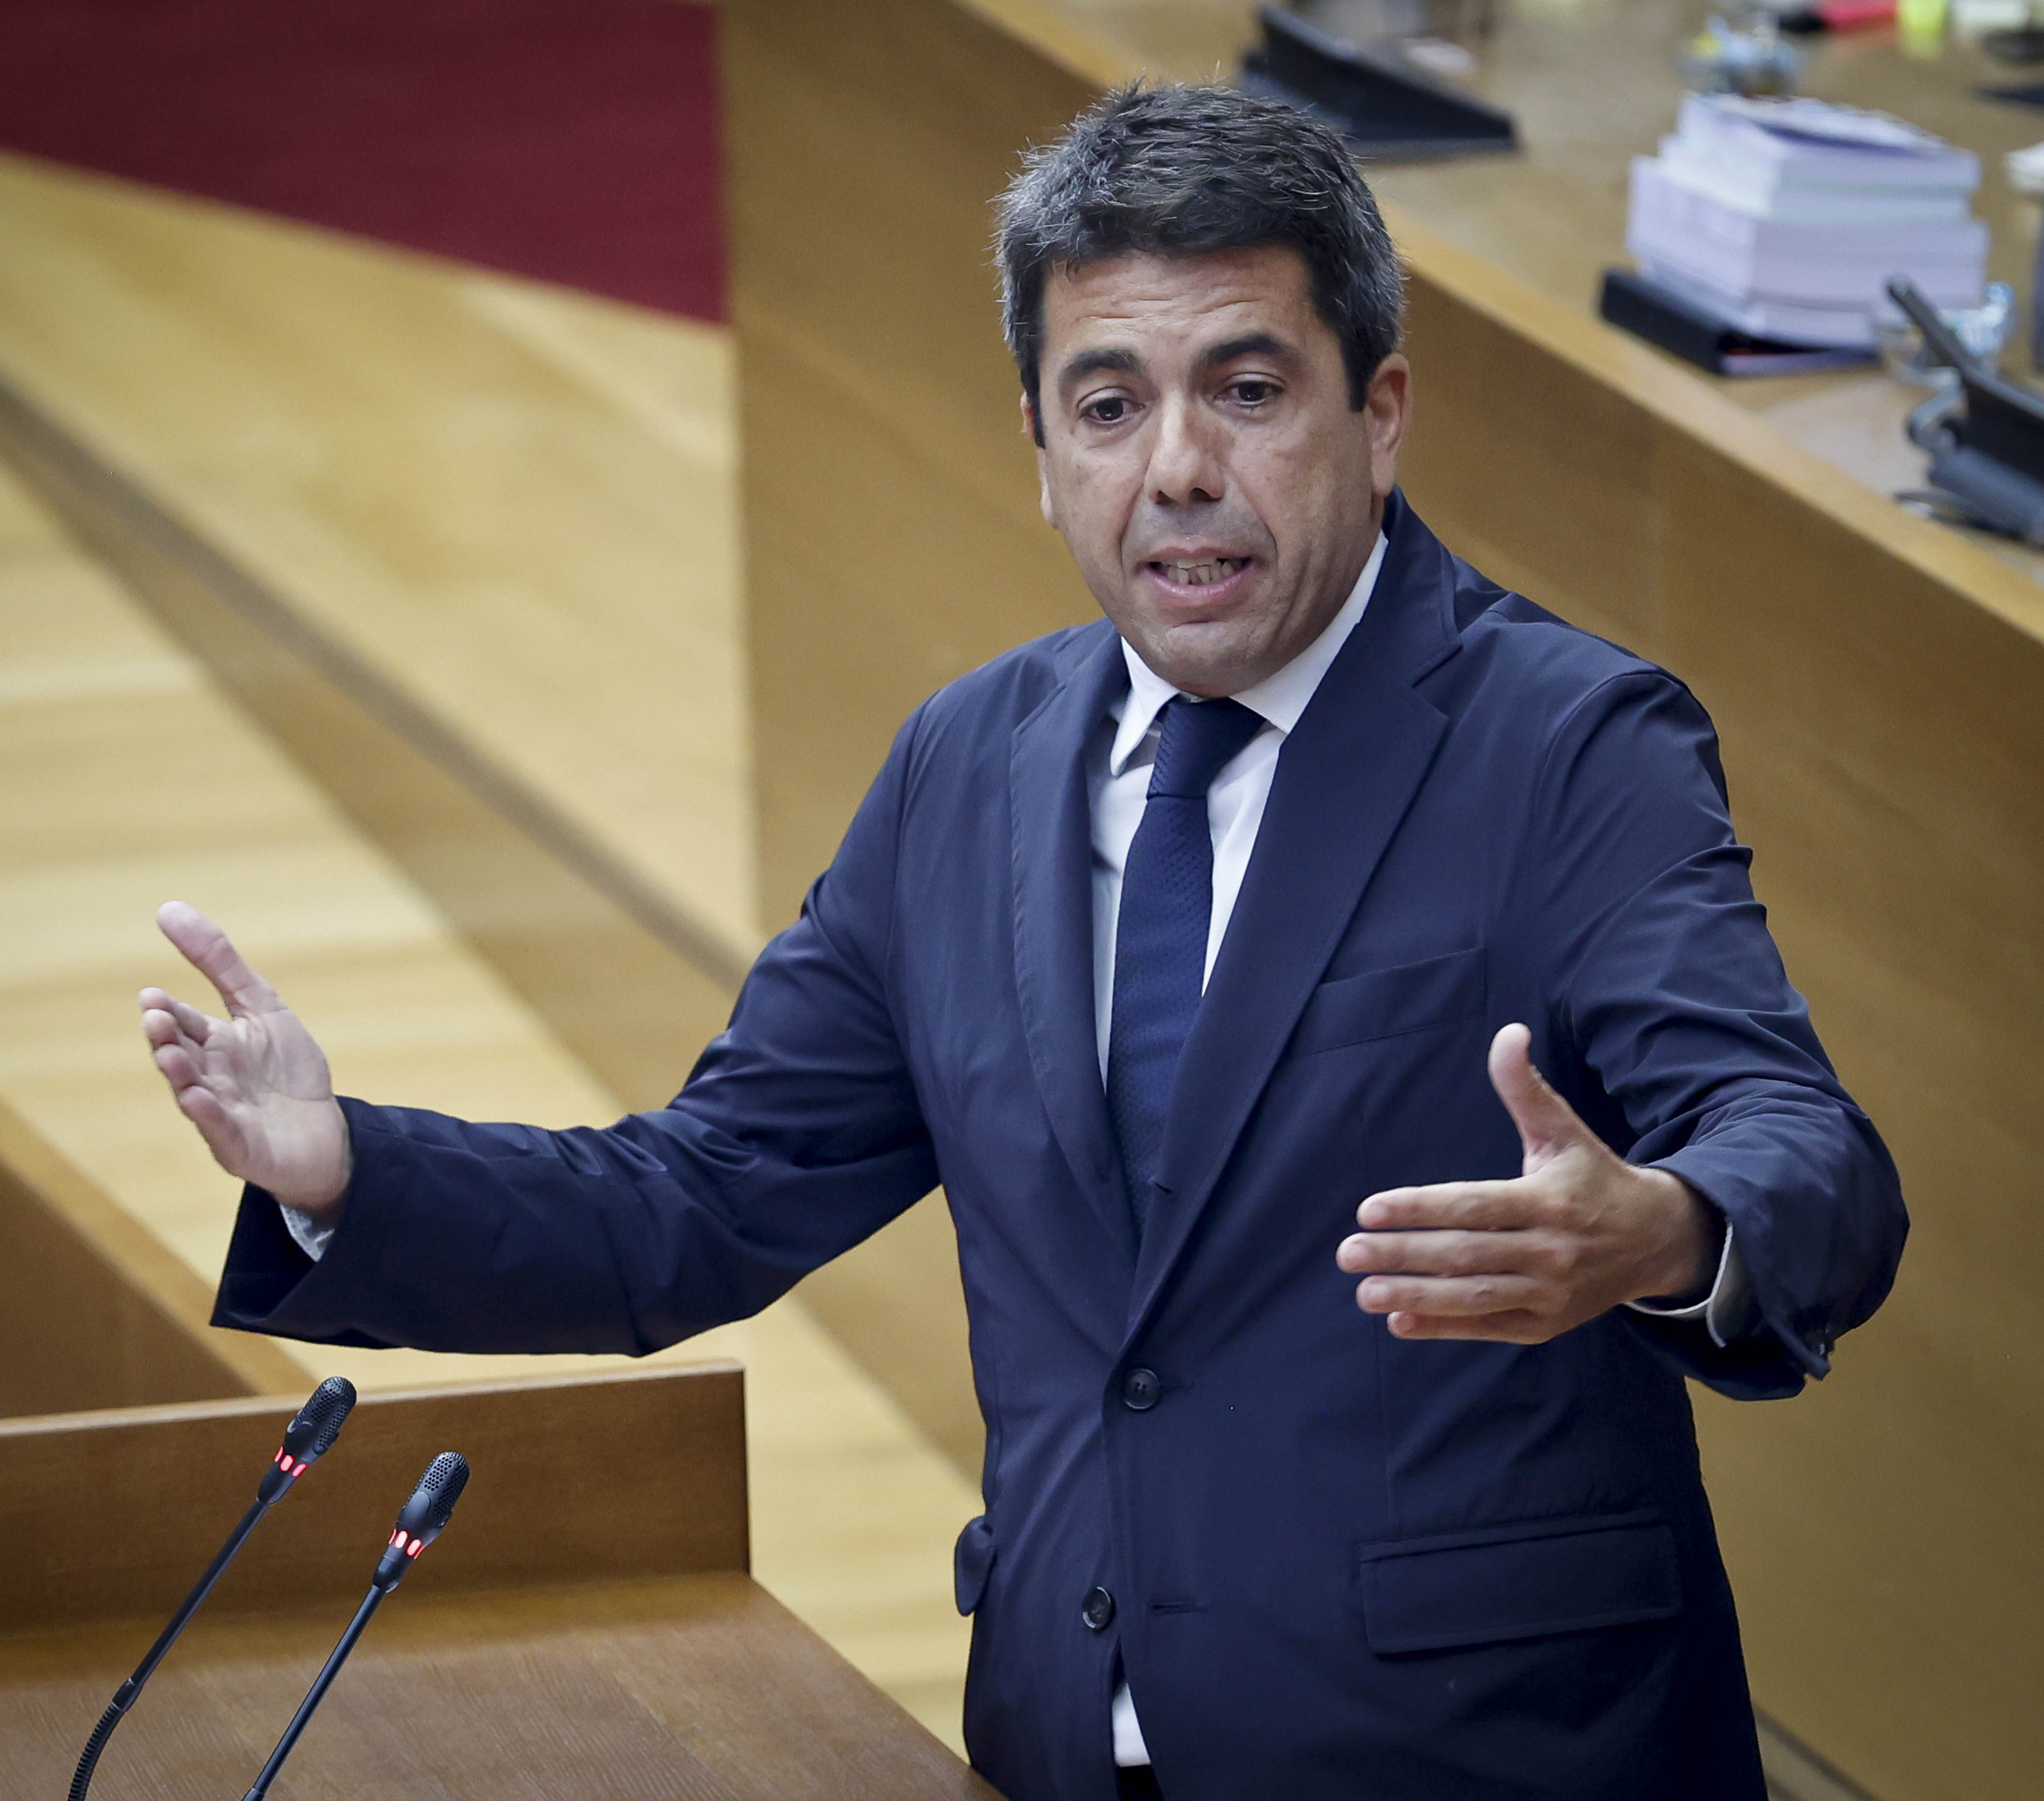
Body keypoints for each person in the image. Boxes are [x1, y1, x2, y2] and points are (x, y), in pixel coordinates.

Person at [141, 85, 1903, 1801]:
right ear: (1042, 457)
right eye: (1110, 406)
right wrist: (343, 1168)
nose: (1181, 470)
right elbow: (698, 1199)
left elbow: (1803, 1145)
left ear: (1377, 416)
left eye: (1246, 389)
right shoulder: (964, 772)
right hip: (1061, 1736)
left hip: (1481, 1755)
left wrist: (1667, 1231)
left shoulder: (1563, 743)